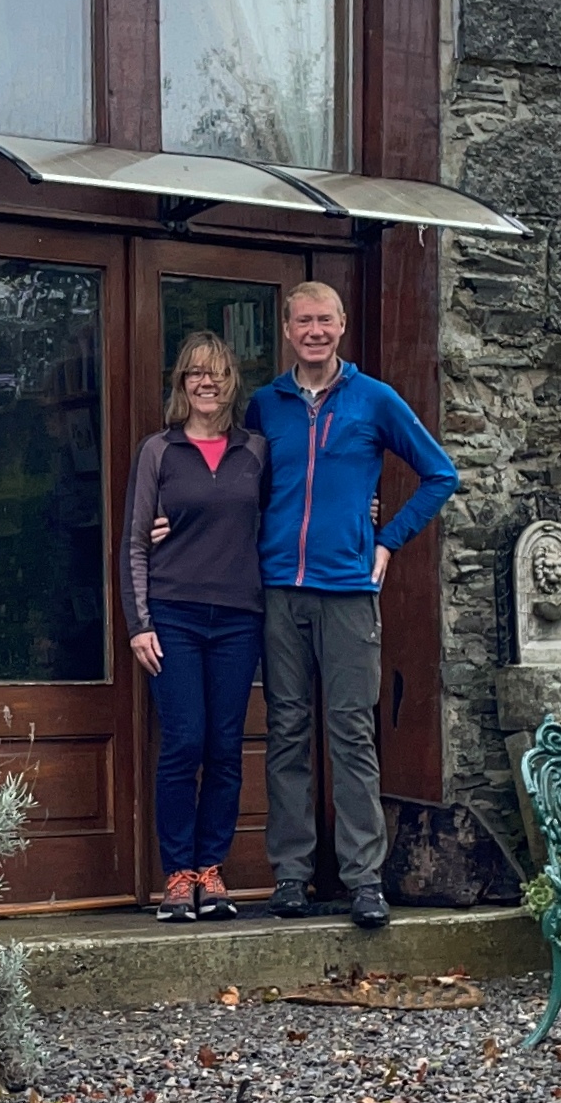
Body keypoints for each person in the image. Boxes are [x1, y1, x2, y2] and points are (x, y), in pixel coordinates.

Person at [247, 280, 459, 930]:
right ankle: (291, 874)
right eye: (303, 321)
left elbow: (441, 473)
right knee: (286, 732)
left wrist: (387, 540)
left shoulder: (375, 400)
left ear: (341, 326)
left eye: (325, 320)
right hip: (280, 589)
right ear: (288, 330)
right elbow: (239, 487)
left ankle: (364, 879)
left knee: (352, 736)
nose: (314, 331)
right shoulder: (264, 406)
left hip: (347, 592)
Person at [122, 332, 269, 923]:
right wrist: (139, 623)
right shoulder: (159, 451)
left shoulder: (256, 451)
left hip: (239, 619)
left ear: (232, 382)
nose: (206, 383)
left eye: (217, 373)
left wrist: (364, 514)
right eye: (194, 373)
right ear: (181, 383)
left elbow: (288, 516)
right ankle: (178, 876)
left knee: (226, 748)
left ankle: (212, 868)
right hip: (174, 616)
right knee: (185, 743)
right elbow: (135, 541)